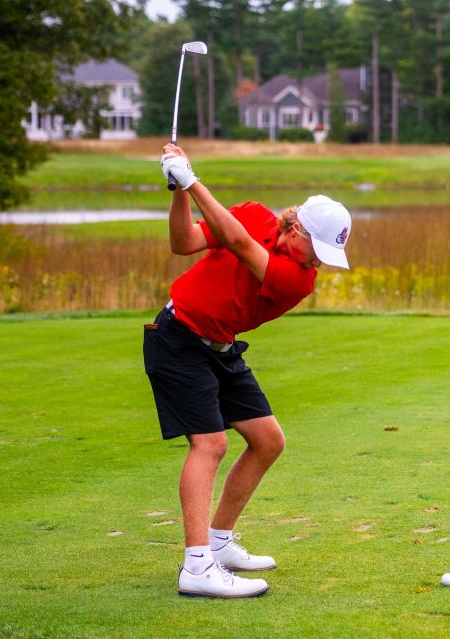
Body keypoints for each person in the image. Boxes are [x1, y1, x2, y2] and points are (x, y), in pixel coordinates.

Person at [143, 144, 351, 599]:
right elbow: (184, 244)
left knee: (268, 440)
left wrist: (192, 178)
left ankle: (218, 542)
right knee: (210, 443)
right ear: (294, 227)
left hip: (219, 349)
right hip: (176, 339)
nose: (319, 263)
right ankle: (197, 565)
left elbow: (237, 242)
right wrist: (178, 188)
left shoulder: (298, 279)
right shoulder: (254, 215)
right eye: (315, 249)